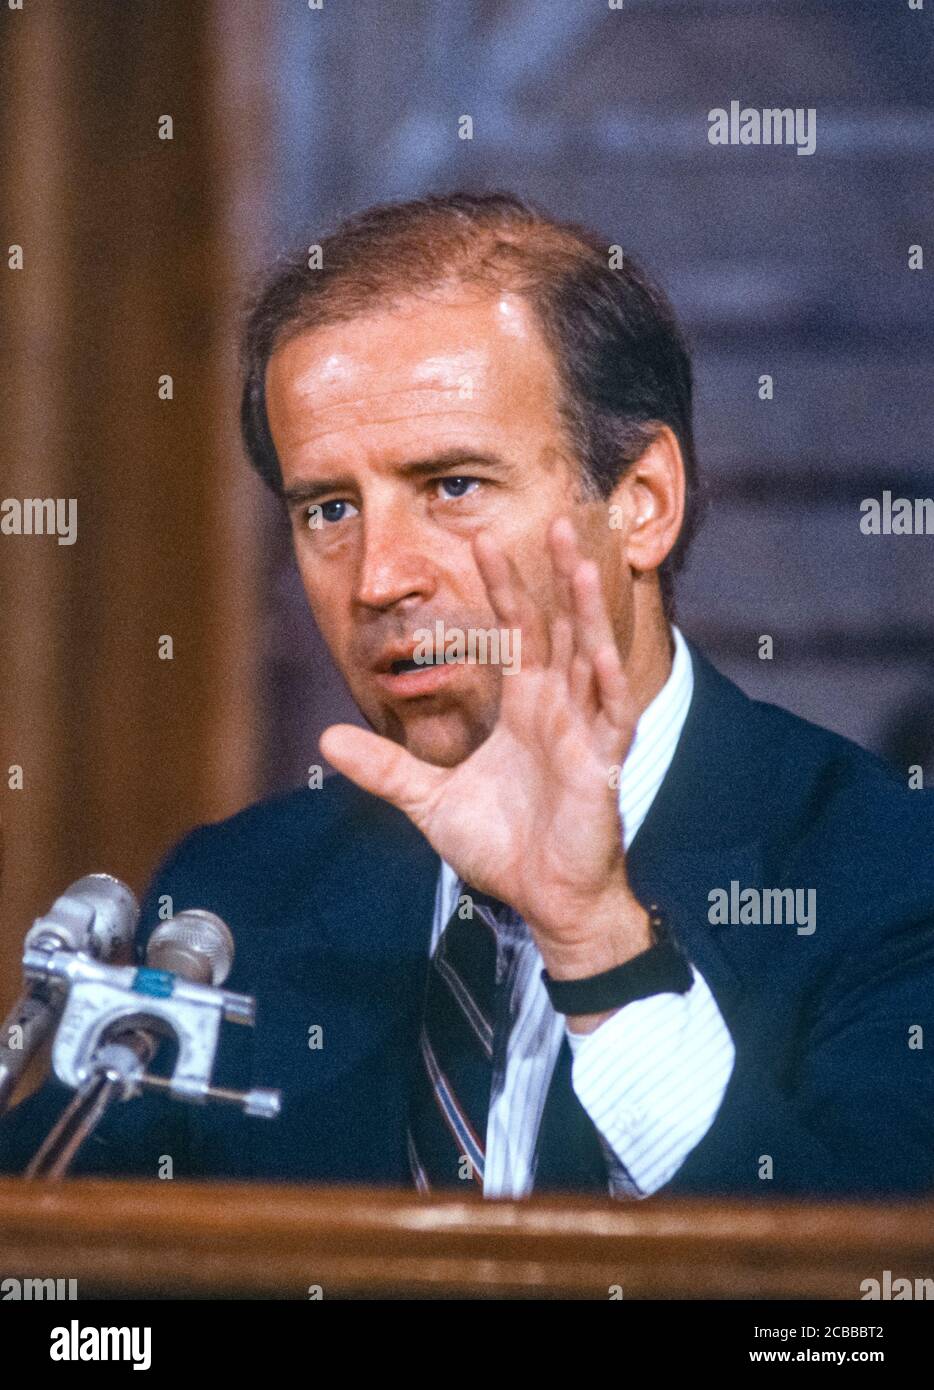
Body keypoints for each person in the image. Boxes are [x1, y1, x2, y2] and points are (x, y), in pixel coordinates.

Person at [2, 192, 932, 1197]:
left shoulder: (888, 880)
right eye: (329, 509)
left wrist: (597, 942)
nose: (378, 578)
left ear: (642, 503)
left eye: (452, 486)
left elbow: (837, 1281)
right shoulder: (238, 903)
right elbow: (54, 1241)